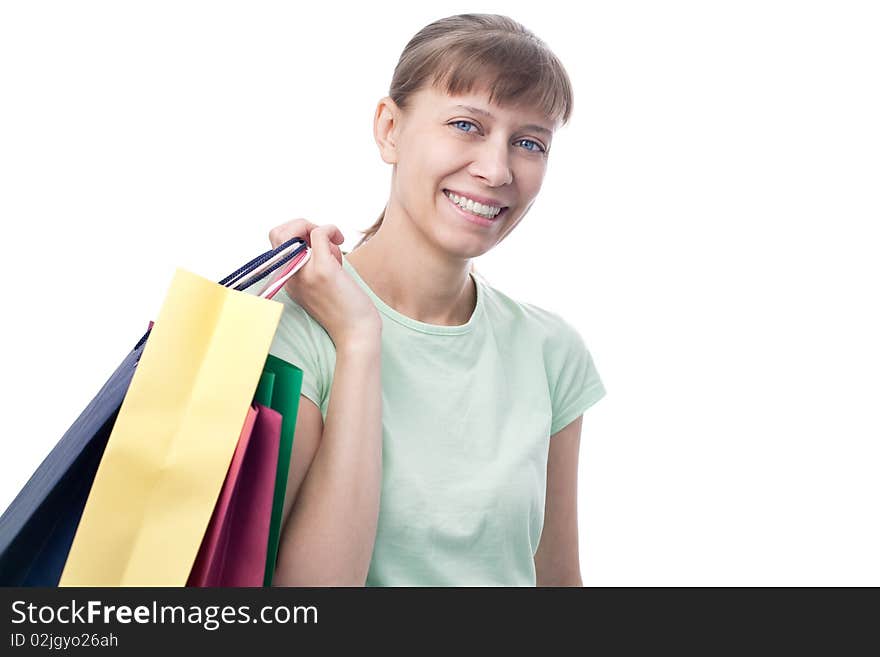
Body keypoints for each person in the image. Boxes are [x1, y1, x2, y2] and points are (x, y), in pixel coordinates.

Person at [249, 13, 606, 587]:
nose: (495, 169)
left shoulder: (551, 351)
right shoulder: (293, 331)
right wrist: (359, 340)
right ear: (390, 129)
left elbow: (557, 583)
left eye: (529, 142)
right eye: (467, 125)